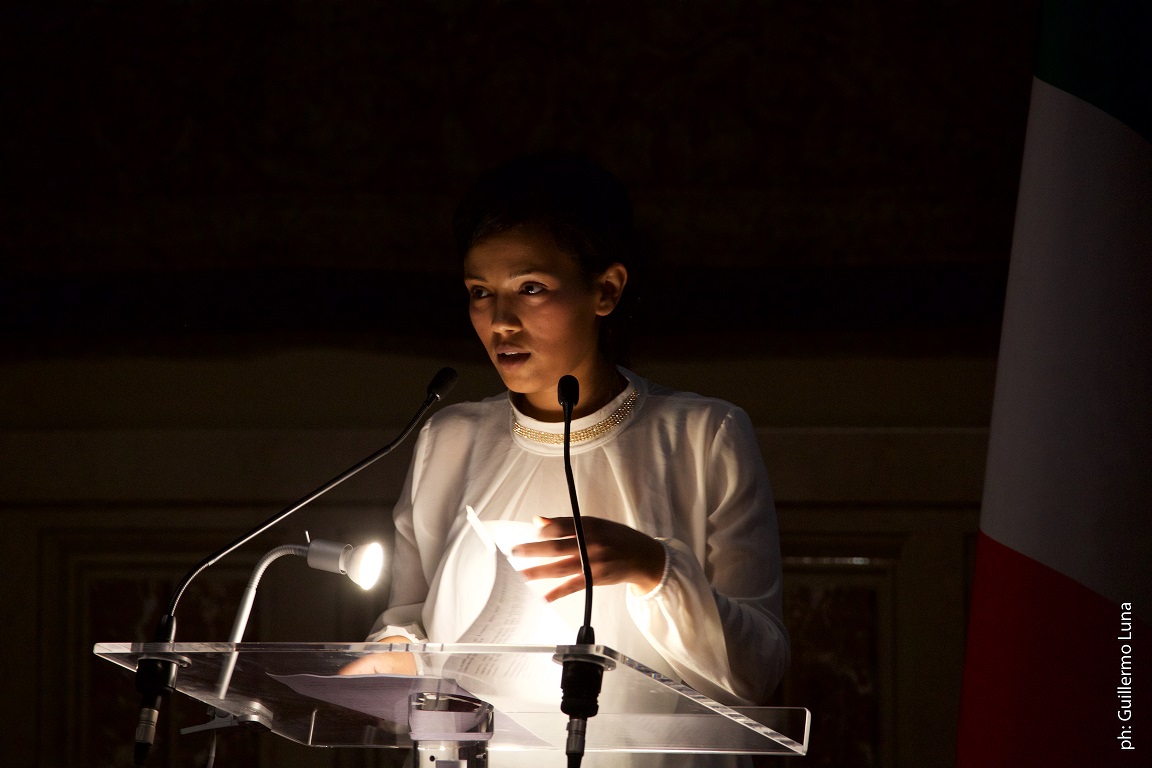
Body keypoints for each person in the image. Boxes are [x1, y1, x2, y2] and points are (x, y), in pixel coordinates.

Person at [342, 153, 789, 764]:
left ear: (605, 290)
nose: (500, 321)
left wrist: (654, 568)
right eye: (480, 293)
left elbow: (759, 667)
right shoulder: (450, 439)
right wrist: (394, 656)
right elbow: (409, 619)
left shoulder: (702, 436)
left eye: (531, 288)